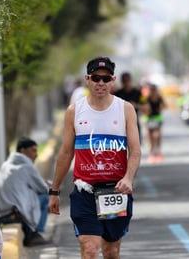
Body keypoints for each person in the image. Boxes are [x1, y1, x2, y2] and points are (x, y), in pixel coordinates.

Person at [48, 56, 141, 259]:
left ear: (113, 80)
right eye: (96, 78)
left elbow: (135, 150)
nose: (101, 83)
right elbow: (65, 152)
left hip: (114, 191)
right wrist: (54, 190)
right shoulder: (75, 111)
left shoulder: (125, 109)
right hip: (85, 191)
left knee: (111, 251)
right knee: (89, 250)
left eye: (106, 79)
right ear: (87, 79)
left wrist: (128, 178)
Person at [0, 137, 50, 247]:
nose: (36, 155)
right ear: (23, 151)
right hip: (17, 214)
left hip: (0, 215)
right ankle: (34, 233)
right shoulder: (27, 166)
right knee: (47, 197)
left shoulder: (5, 165)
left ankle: (33, 232)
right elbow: (43, 188)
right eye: (33, 150)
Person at [114, 72, 146, 144]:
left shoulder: (137, 93)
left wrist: (135, 105)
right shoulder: (117, 93)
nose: (126, 83)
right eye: (124, 81)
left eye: (127, 80)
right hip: (120, 123)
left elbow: (146, 107)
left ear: (130, 80)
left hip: (134, 122)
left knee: (135, 145)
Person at [144, 83, 166, 163]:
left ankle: (158, 153)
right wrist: (146, 110)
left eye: (153, 90)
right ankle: (152, 154)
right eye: (151, 90)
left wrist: (161, 108)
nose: (152, 91)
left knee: (157, 135)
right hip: (149, 118)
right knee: (150, 137)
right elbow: (143, 107)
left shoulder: (159, 98)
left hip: (157, 118)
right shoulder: (146, 98)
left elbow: (164, 105)